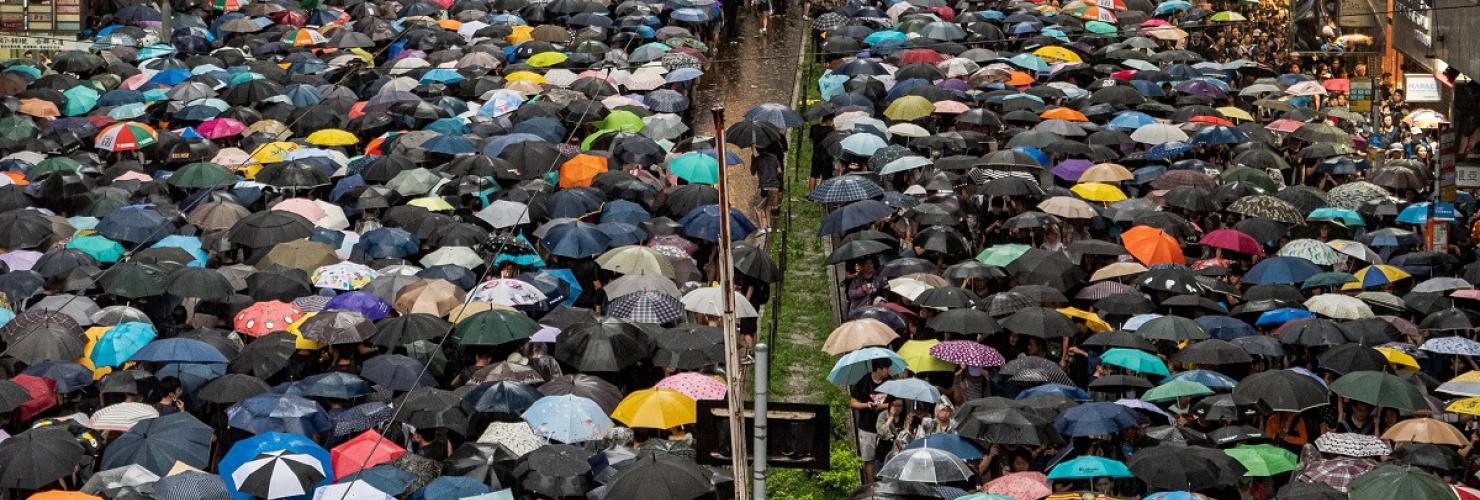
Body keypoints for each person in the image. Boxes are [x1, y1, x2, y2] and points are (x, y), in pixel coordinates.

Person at [849, 358, 892, 483]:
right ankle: (870, 486)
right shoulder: (864, 381)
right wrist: (866, 405)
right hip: (867, 426)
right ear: (878, 369)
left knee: (886, 457)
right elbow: (853, 403)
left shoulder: (890, 382)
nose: (888, 371)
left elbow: (897, 403)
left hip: (885, 426)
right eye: (886, 368)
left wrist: (883, 406)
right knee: (868, 459)